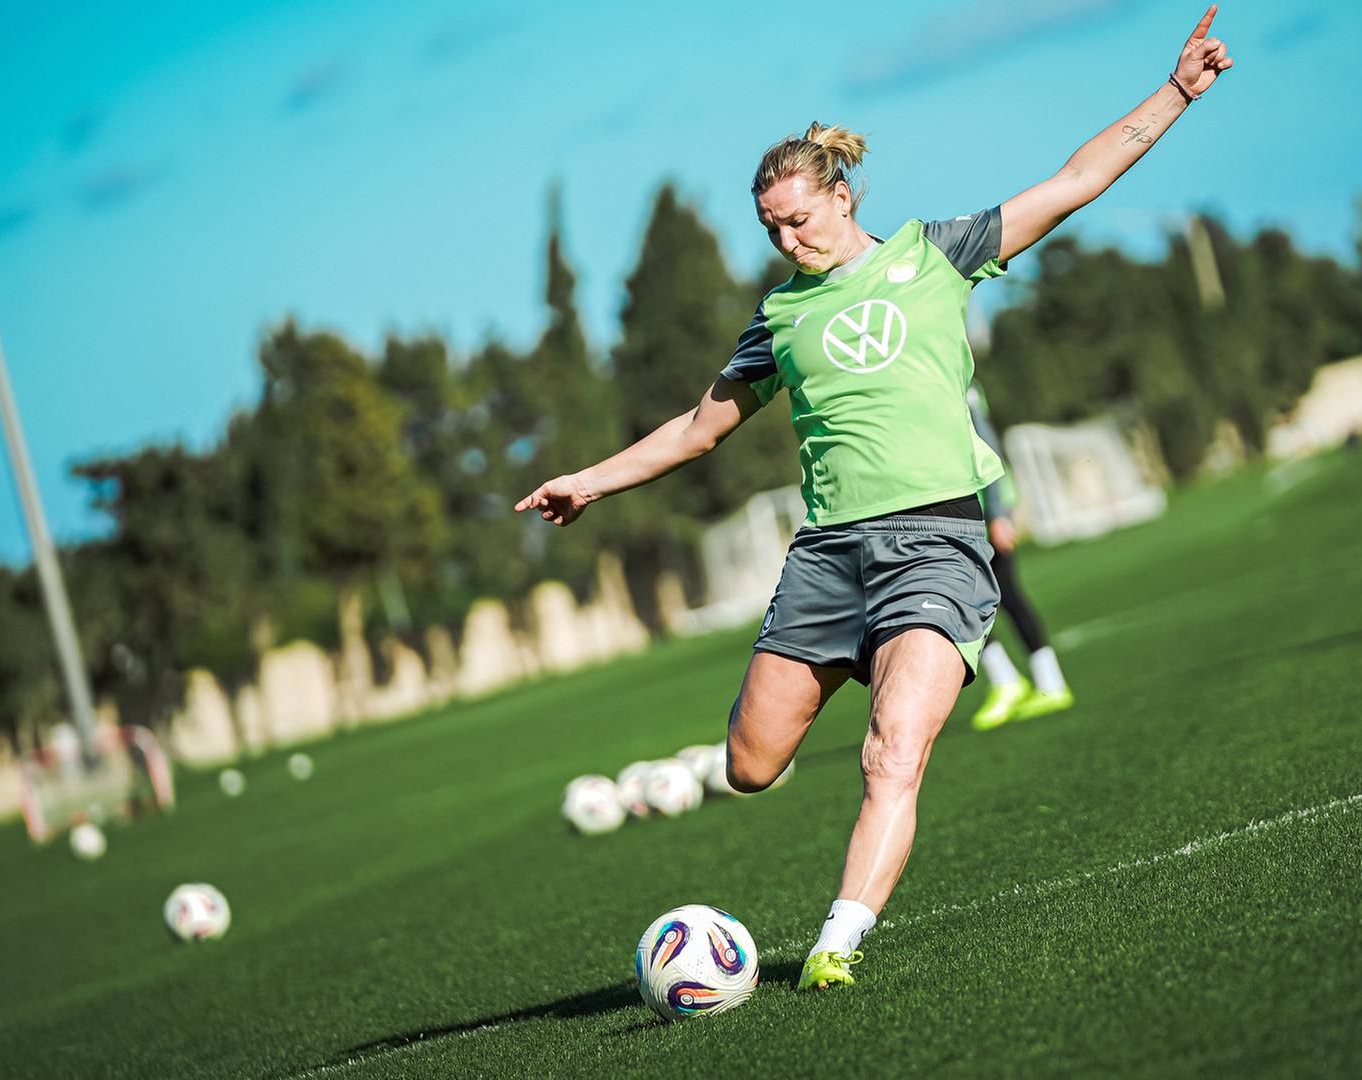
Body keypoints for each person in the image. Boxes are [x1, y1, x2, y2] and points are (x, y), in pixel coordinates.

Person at [516, 6, 1232, 991]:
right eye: (771, 227)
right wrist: (585, 483)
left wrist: (1178, 93)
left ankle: (836, 944)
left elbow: (1076, 181)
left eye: (799, 218)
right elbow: (700, 426)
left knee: (894, 754)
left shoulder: (937, 256)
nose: (787, 238)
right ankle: (851, 666)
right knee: (749, 766)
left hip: (937, 546)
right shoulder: (778, 317)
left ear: (844, 197)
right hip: (826, 560)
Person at [965, 381, 1073, 732]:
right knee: (963, 605)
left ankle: (1049, 683)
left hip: (982, 510)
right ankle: (1008, 682)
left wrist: (997, 512)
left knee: (1006, 596)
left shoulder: (957, 378)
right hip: (962, 514)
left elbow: (985, 444)